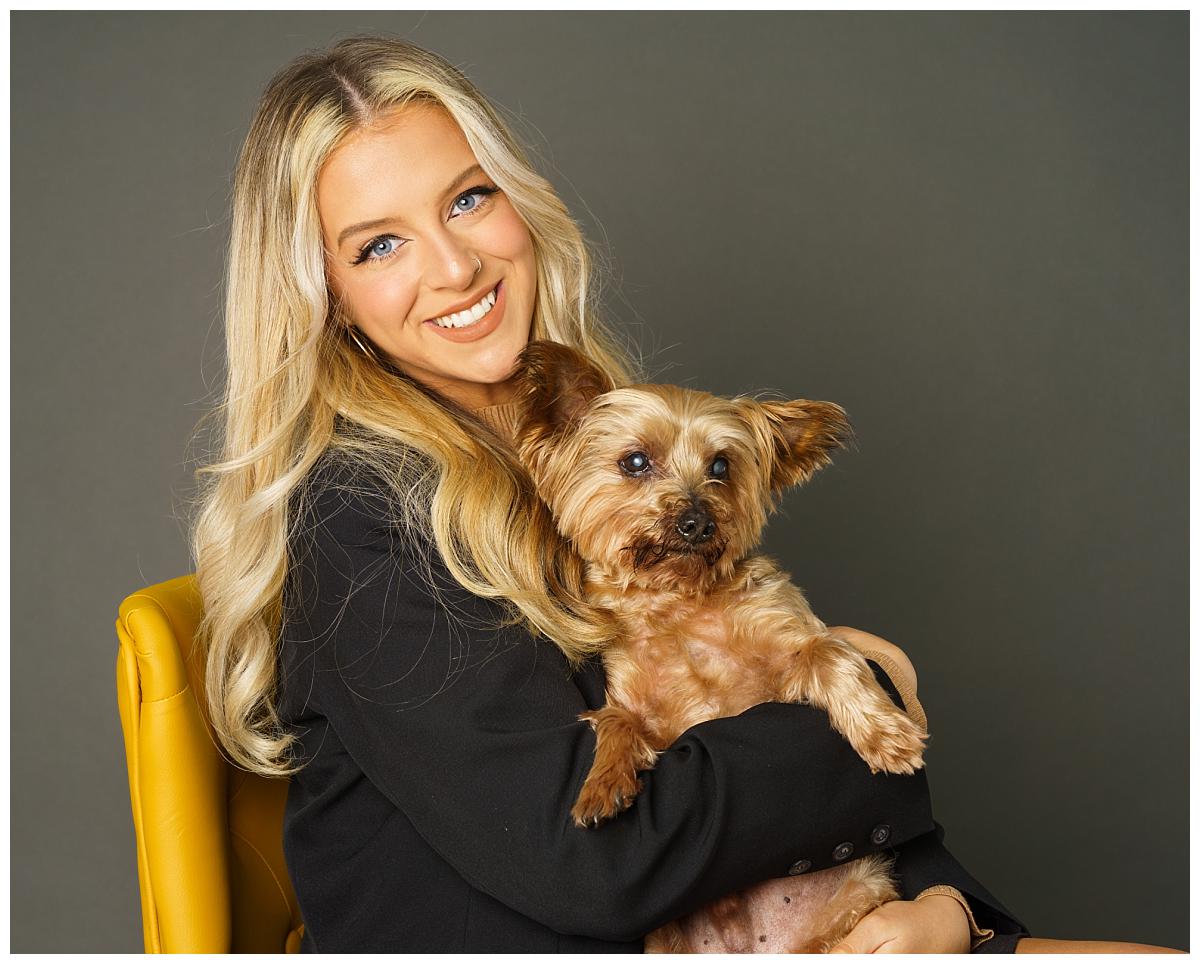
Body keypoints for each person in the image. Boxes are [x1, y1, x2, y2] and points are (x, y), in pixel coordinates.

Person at [189, 36, 1169, 954]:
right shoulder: (364, 514)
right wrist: (866, 691)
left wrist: (947, 907)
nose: (454, 266)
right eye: (378, 246)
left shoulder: (611, 434)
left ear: (517, 203)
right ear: (323, 293)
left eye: (466, 199)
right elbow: (594, 852)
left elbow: (731, 723)